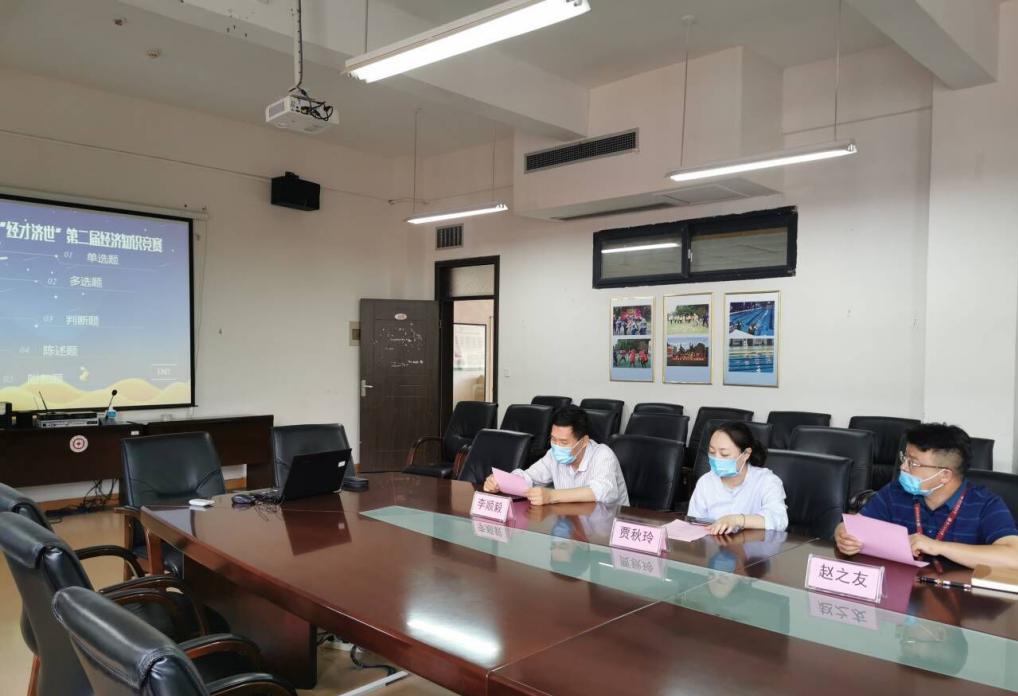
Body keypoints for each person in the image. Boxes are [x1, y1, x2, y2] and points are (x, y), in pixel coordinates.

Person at [835, 423, 1018, 569]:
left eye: (913, 463)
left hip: (960, 600)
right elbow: (852, 526)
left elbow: (1013, 557)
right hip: (904, 592)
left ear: (944, 475)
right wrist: (843, 536)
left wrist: (938, 547)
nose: (903, 467)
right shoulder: (896, 491)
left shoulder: (985, 504)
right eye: (905, 458)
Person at [484, 405, 629, 506]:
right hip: (571, 523)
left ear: (584, 441)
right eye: (553, 439)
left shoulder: (603, 454)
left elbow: (602, 492)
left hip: (605, 530)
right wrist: (501, 481)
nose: (557, 446)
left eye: (564, 442)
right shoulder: (553, 455)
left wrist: (552, 496)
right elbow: (529, 477)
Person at [687, 421, 788, 535]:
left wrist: (737, 520)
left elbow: (779, 520)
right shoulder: (705, 482)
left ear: (746, 454)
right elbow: (694, 522)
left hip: (755, 545)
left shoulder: (767, 481)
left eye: (724, 454)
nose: (716, 458)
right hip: (713, 544)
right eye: (712, 452)